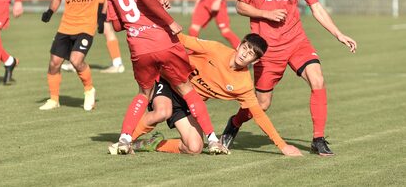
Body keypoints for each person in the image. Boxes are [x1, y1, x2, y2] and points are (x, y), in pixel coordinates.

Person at [220, 0, 357, 156]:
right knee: (262, 104)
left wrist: (338, 34)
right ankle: (234, 123)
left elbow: (316, 7)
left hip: (296, 42)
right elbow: (240, 6)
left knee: (318, 79)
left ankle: (318, 139)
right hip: (267, 49)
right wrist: (266, 14)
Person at [106, 0, 227, 155]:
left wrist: (150, 7)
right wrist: (168, 21)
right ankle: (213, 140)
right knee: (186, 89)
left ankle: (124, 139)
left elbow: (116, 25)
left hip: (138, 47)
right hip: (162, 41)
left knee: (144, 93)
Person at [109, 33, 302, 156]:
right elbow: (181, 39)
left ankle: (154, 143)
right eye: (245, 48)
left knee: (194, 148)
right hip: (170, 83)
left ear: (255, 60)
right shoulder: (215, 49)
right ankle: (125, 142)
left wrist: (282, 146)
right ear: (239, 45)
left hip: (189, 103)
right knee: (162, 111)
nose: (245, 54)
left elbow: (259, 114)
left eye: (251, 54)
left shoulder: (243, 84)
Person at [39, 0, 107, 111]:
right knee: (54, 62)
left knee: (76, 61)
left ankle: (89, 90)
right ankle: (54, 99)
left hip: (86, 26)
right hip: (66, 25)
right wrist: (49, 12)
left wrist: (102, 16)